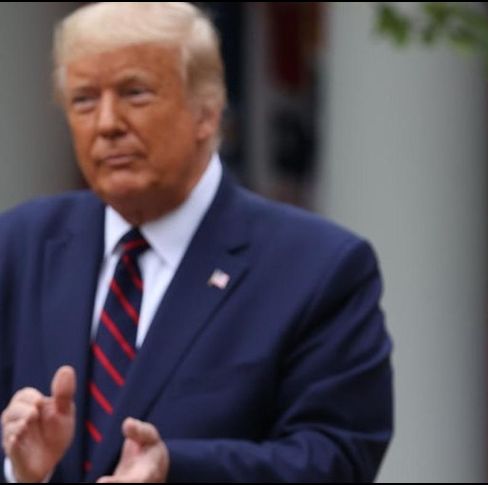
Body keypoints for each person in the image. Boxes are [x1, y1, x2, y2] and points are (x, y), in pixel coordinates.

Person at [0, 2, 392, 482]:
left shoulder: (317, 268)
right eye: (83, 100)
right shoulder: (20, 246)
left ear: (207, 112)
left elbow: (337, 459)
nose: (106, 124)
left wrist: (175, 470)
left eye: (134, 93)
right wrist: (19, 472)